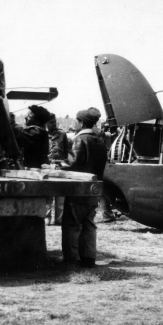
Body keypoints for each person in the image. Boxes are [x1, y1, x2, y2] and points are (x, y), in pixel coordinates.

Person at [59, 107, 108, 268]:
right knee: (88, 223)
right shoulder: (99, 141)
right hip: (94, 189)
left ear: (81, 122)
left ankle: (71, 260)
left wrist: (57, 164)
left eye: (76, 120)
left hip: (79, 189)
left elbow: (72, 164)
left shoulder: (80, 139)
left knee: (71, 223)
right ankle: (88, 259)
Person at [46, 114, 70, 225]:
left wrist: (66, 163)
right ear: (46, 123)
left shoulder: (62, 134)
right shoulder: (42, 134)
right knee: (47, 193)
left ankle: (59, 218)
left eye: (55, 122)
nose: (54, 124)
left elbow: (67, 150)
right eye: (51, 122)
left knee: (61, 194)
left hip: (60, 166)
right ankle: (47, 217)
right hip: (47, 166)